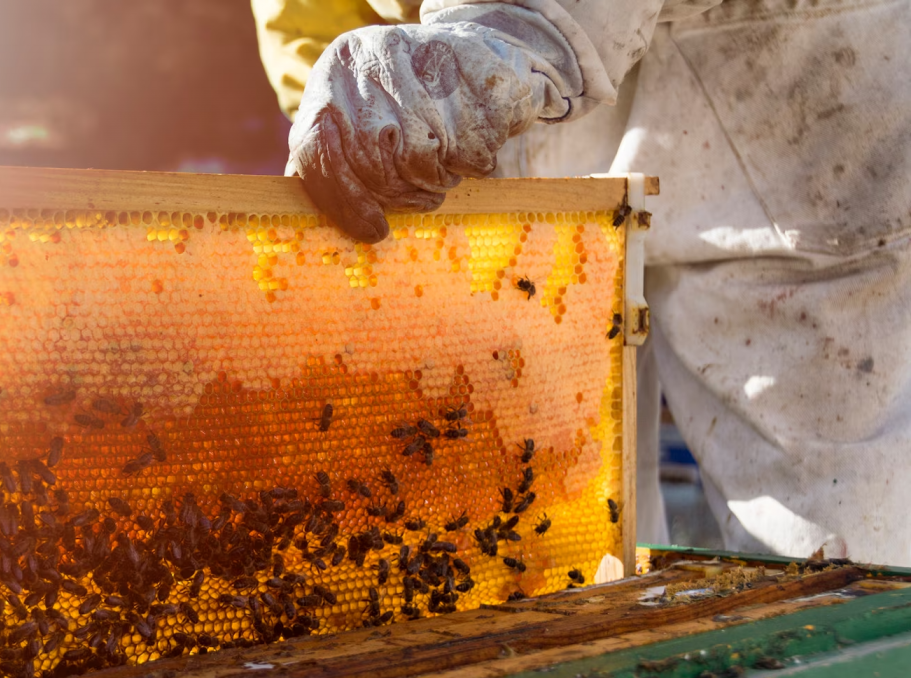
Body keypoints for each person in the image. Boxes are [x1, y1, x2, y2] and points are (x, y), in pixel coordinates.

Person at [252, 0, 911, 566]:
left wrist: (505, 23)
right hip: (490, 97)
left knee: (848, 548)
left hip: (775, 65)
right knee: (552, 539)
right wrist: (345, 99)